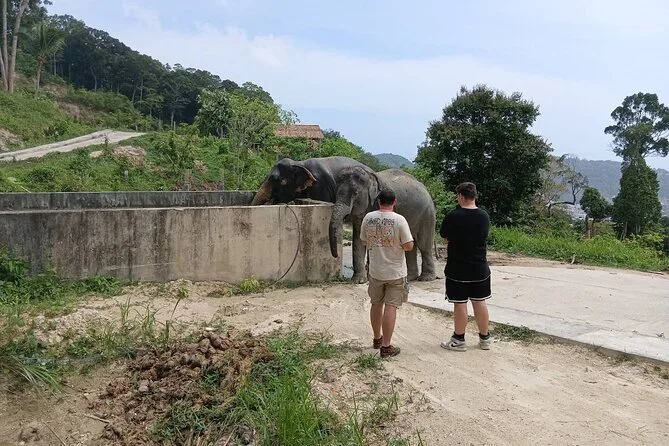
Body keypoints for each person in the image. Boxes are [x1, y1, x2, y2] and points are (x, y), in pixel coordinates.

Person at [360, 187, 414, 358]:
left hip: (375, 271)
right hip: (395, 272)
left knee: (376, 304)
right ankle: (386, 346)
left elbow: (364, 240)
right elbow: (409, 246)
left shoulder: (368, 218)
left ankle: (377, 339)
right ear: (395, 201)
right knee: (391, 306)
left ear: (378, 201)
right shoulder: (399, 220)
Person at [439, 182, 492, 351]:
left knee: (460, 303)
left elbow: (445, 237)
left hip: (457, 269)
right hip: (480, 269)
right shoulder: (484, 216)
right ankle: (485, 338)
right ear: (474, 196)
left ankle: (459, 340)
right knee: (480, 301)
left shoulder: (453, 216)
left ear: (461, 196)